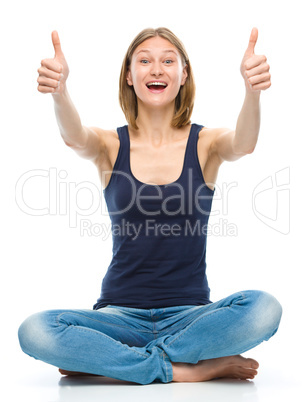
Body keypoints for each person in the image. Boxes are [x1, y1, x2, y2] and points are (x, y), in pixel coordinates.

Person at [18, 27, 282, 385]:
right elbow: (74, 136)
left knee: (264, 308)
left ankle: (110, 362)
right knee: (35, 330)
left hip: (189, 317)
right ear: (129, 75)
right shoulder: (110, 144)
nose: (156, 69)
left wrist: (252, 94)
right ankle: (190, 368)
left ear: (183, 74)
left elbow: (244, 142)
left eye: (168, 61)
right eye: (144, 60)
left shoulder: (206, 143)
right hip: (118, 318)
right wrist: (60, 93)